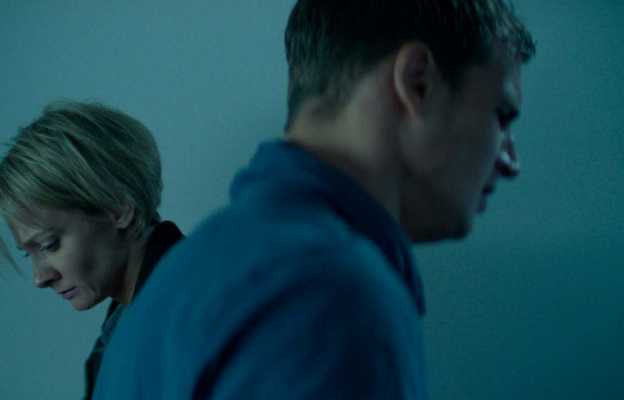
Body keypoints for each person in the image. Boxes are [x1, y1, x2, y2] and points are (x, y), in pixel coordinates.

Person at [93, 0, 536, 398]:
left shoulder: (172, 286)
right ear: (417, 82)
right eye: (502, 115)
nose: (512, 161)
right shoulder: (336, 296)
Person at [0, 101, 184, 400]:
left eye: (49, 244)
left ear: (117, 209)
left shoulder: (185, 318)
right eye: (28, 254)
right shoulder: (126, 325)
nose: (40, 277)